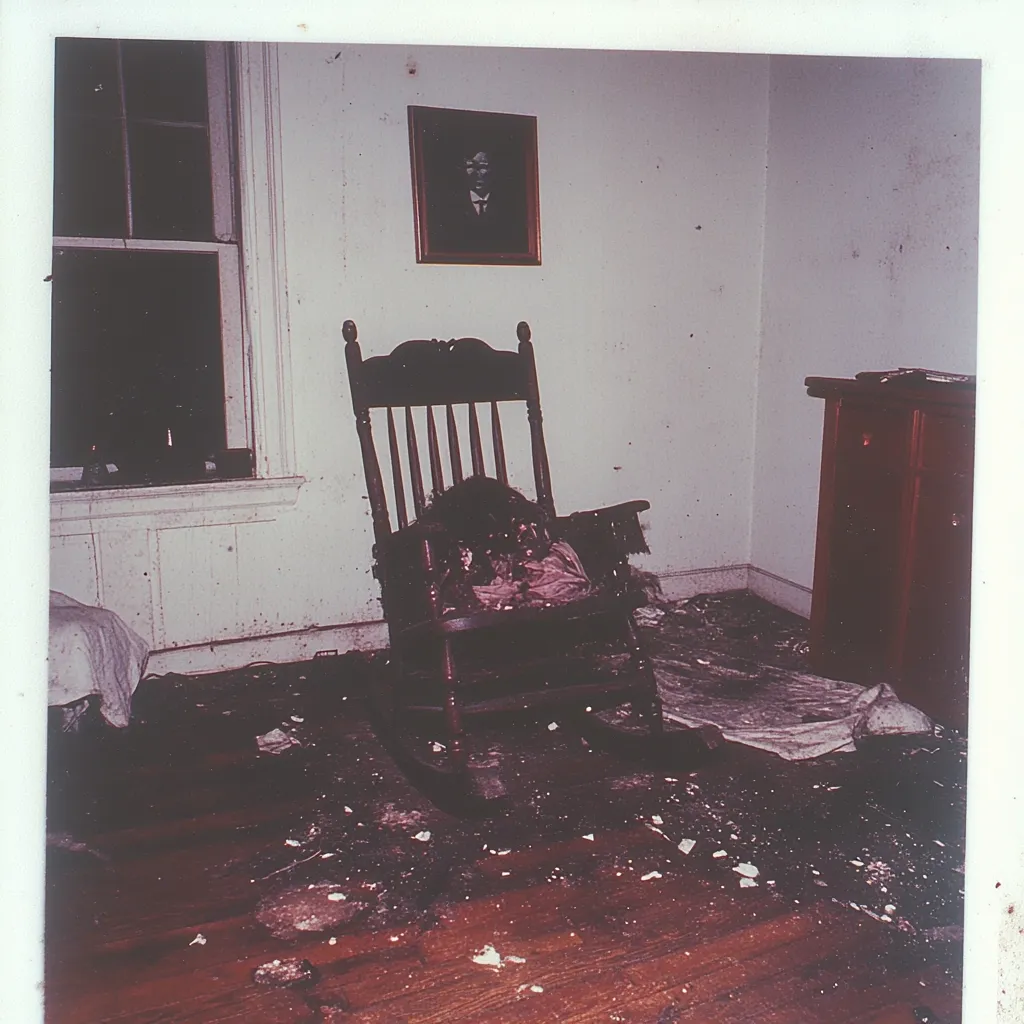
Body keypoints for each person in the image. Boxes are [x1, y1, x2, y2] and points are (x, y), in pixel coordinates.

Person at [429, 144, 528, 255]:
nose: (476, 173)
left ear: (494, 170)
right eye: (470, 166)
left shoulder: (512, 208)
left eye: (482, 167)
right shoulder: (448, 209)